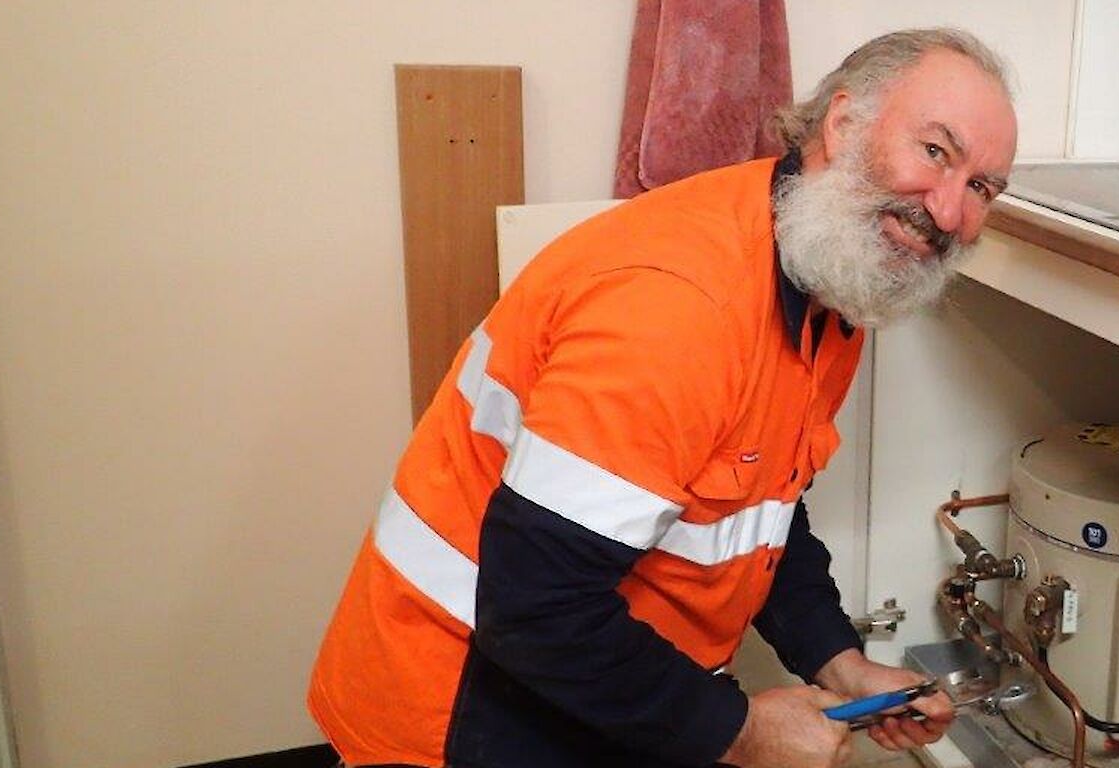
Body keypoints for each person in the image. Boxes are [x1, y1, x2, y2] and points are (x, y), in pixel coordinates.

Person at [307, 27, 1018, 768]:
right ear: (842, 126)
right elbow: (538, 613)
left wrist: (839, 660)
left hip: (583, 681)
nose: (947, 212)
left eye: (981, 187)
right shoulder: (680, 306)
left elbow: (761, 507)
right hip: (459, 703)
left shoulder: (829, 277)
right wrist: (740, 732)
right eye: (935, 151)